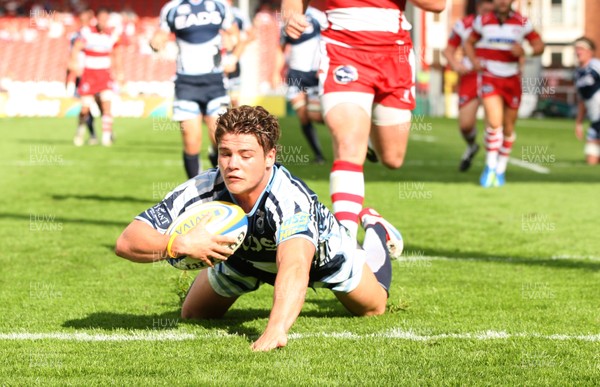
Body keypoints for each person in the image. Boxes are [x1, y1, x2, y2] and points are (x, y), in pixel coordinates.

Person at [115, 105, 402, 352]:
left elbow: (295, 265)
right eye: (225, 153)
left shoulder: (289, 198)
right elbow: (127, 241)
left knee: (373, 308)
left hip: (322, 259)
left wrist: (276, 328)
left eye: (245, 155)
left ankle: (376, 228)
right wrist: (177, 244)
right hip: (242, 261)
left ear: (270, 157)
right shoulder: (203, 187)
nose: (232, 165)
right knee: (194, 315)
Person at [282, 0, 445, 240]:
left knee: (392, 158)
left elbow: (437, 5)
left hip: (394, 56)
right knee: (348, 145)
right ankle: (344, 244)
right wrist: (291, 14)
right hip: (343, 51)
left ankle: (367, 141)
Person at [150, 0, 238, 178]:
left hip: (214, 81)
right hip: (186, 83)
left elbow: (235, 34)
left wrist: (231, 41)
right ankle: (196, 193)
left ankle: (221, 185)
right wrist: (155, 42)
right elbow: (159, 36)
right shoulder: (172, 8)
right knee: (191, 141)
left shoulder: (219, 5)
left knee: (220, 139)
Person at [464, 0, 544, 187]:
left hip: (512, 79)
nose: (502, 1)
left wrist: (527, 50)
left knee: (508, 128)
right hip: (490, 77)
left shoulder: (523, 22)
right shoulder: (483, 21)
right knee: (494, 123)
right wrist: (474, 60)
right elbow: (469, 42)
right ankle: (490, 167)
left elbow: (540, 45)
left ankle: (501, 168)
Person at [443, 0, 494, 172]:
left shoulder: (500, 24)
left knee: (493, 122)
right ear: (479, 6)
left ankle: (492, 163)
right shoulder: (463, 25)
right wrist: (457, 65)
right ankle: (472, 146)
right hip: (470, 77)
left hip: (493, 76)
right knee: (465, 125)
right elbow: (448, 51)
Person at [69, 7, 123, 147]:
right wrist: (74, 64)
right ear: (96, 19)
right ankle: (80, 131)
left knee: (106, 106)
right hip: (89, 75)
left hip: (104, 75)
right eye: (101, 19)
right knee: (85, 109)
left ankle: (106, 138)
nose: (103, 22)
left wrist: (119, 72)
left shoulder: (112, 35)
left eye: (106, 19)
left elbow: (117, 54)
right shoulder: (87, 32)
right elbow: (76, 48)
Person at [281, 5, 327, 164]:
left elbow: (326, 42)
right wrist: (277, 71)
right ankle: (319, 155)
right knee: (303, 115)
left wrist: (322, 66)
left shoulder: (319, 16)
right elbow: (282, 46)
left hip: (313, 73)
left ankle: (348, 130)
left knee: (316, 115)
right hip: (295, 74)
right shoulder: (288, 13)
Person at [67, 8, 97, 146]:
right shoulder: (75, 36)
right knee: (86, 107)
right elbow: (72, 56)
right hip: (84, 75)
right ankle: (87, 133)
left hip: (97, 73)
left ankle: (104, 132)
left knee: (102, 106)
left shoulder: (95, 33)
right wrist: (69, 76)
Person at [222, 0, 254, 108]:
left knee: (234, 99)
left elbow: (250, 35)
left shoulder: (239, 14)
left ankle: (235, 122)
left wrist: (235, 56)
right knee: (221, 99)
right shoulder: (214, 11)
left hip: (232, 58)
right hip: (216, 59)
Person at [573, 37, 600, 166]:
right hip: (595, 120)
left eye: (581, 49)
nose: (578, 52)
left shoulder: (596, 66)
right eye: (576, 49)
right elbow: (582, 100)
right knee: (591, 162)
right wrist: (579, 123)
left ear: (590, 51)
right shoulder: (578, 73)